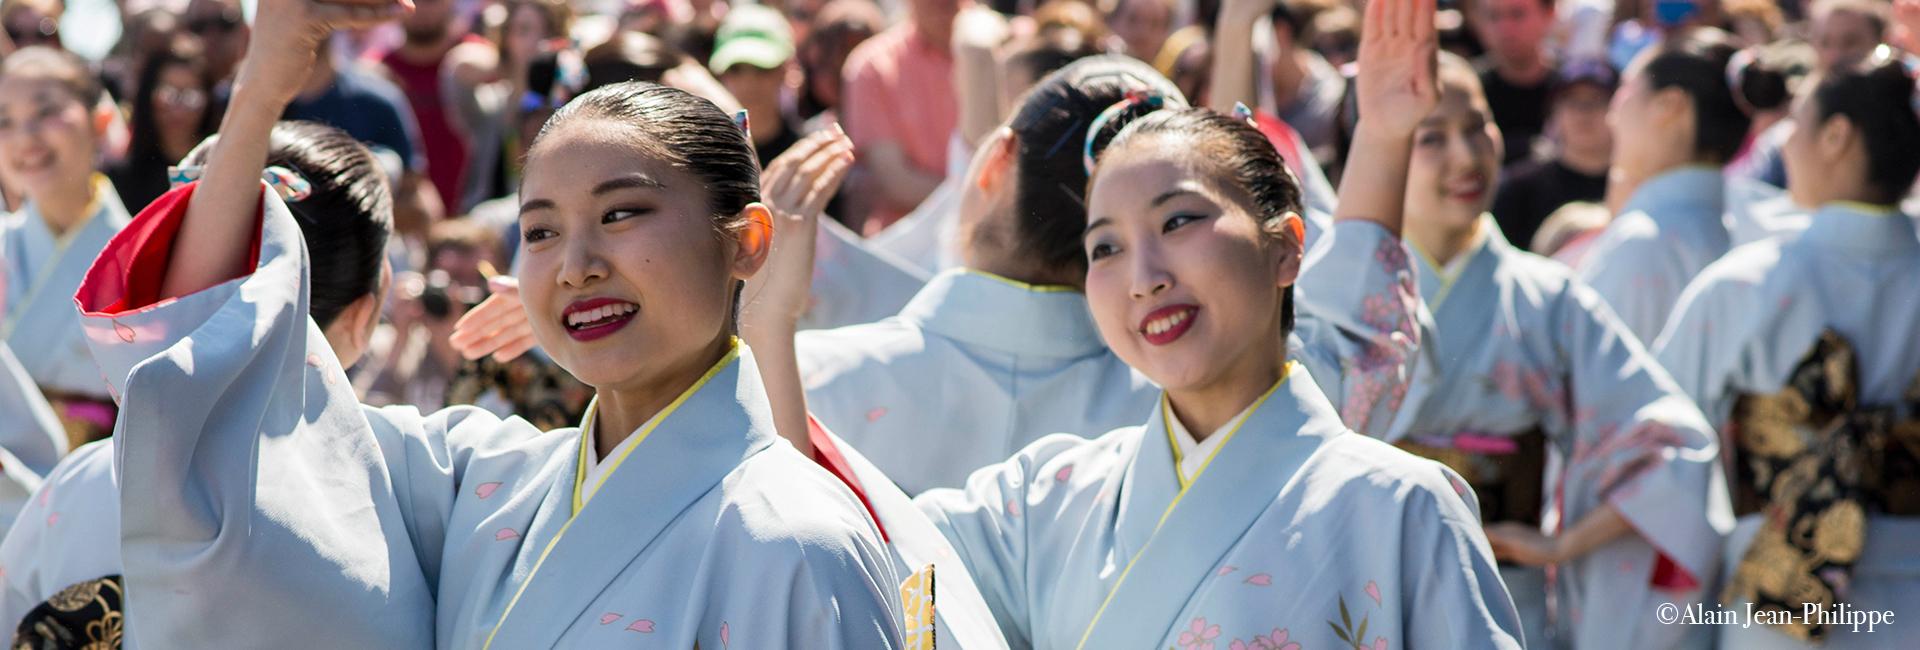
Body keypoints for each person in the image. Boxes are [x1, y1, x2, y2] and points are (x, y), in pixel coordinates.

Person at [50, 0, 905, 645]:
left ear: (747, 241)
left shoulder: (799, 541)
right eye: (539, 232)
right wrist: (265, 84)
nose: (574, 265)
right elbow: (215, 370)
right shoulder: (487, 483)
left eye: (621, 216)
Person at [918, 3, 1523, 647]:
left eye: (1178, 221)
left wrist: (1384, 135)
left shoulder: (1405, 508)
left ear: (1287, 248)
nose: (1143, 276)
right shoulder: (1044, 498)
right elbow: (867, 548)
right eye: (1105, 248)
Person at [1386, 48, 1729, 650]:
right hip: (1373, 585)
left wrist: (1563, 545)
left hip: (1503, 598)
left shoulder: (1551, 298)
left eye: (1477, 128)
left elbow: (1673, 441)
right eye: (1431, 138)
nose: (1466, 156)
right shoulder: (1337, 299)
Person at [1655, 49, 1920, 650]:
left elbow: (1661, 444)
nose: (1785, 145)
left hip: (1777, 590)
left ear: (1837, 136)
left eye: (1796, 126)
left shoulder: (1753, 282)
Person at [1574, 29, 1746, 345]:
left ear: (1669, 105)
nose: (1612, 114)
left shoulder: (1642, 242)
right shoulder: (1748, 224)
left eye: (1625, 90)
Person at [0, 46, 132, 447]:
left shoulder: (143, 257)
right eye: (5, 120)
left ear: (100, 121)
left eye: (45, 112)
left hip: (105, 484)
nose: (26, 136)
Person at [840, 0, 965, 232]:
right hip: (905, 247)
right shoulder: (873, 65)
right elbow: (895, 181)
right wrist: (976, 202)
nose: (940, 5)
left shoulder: (1006, 47)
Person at [1490, 58, 1614, 250]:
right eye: (1572, 101)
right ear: (1554, 112)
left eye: (1596, 101)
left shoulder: (1631, 187)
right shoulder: (1518, 190)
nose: (1583, 113)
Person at [110, 35, 219, 213]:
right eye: (168, 94)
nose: (178, 109)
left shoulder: (224, 173)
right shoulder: (122, 181)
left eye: (191, 97)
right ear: (148, 97)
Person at [712, 4, 804, 168]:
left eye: (762, 68)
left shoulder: (805, 156)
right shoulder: (702, 156)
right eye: (735, 68)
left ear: (785, 70)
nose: (749, 83)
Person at [1473, 0, 1557, 166]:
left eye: (1517, 14)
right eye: (1493, 16)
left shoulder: (1573, 88)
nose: (1505, 28)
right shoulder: (1469, 91)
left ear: (1549, 14)